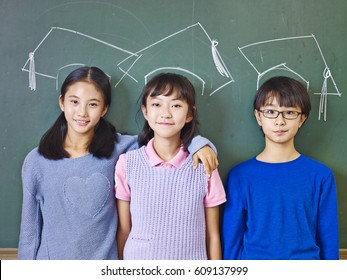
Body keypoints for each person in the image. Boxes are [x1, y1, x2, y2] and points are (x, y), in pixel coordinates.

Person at [18, 66, 218, 260]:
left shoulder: (121, 150)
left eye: (93, 104)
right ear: (62, 102)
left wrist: (200, 144)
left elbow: (165, 138)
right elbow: (30, 232)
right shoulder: (36, 161)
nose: (82, 112)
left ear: (104, 109)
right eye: (74, 102)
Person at [222, 76, 339, 260]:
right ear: (258, 116)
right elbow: (232, 242)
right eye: (270, 111)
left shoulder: (320, 175)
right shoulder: (241, 175)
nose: (279, 121)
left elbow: (329, 239)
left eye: (290, 113)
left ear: (302, 119)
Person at [116, 73, 226, 260]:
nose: (165, 113)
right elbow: (124, 230)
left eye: (176, 105)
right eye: (157, 104)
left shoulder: (204, 165)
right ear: (145, 111)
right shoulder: (128, 163)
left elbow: (212, 235)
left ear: (190, 114)